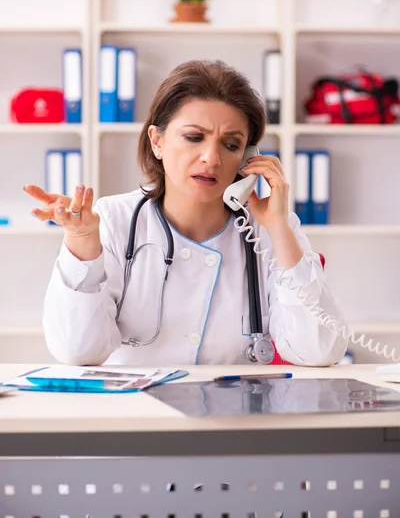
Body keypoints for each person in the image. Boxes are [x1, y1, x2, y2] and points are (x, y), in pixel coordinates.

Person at [24, 60, 347, 367]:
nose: (211, 158)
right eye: (194, 138)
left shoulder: (271, 230)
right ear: (157, 141)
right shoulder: (113, 220)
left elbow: (319, 351)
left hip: (235, 416)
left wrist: (278, 228)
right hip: (135, 413)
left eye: (231, 145)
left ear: (249, 157)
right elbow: (78, 352)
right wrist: (81, 242)